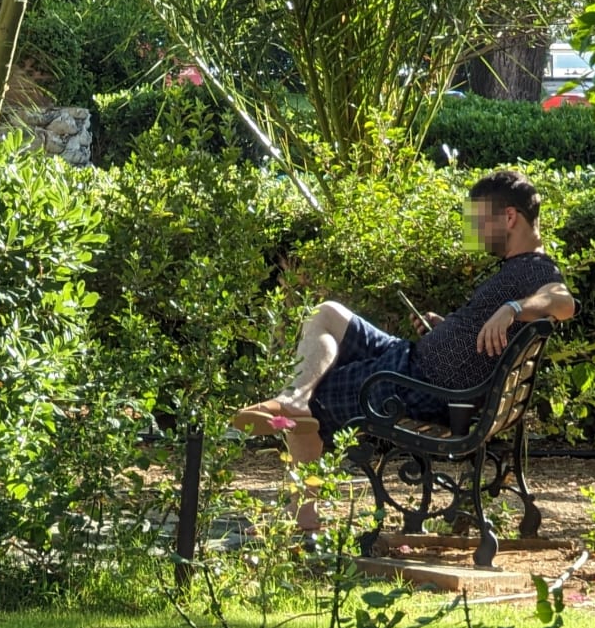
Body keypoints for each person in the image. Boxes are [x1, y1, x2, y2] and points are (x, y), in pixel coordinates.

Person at [231, 168, 575, 530]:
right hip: (413, 363)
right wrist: (445, 328)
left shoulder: (536, 270)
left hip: (418, 385)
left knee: (320, 392)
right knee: (327, 313)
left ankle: (301, 509)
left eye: (480, 220)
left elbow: (563, 301)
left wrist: (514, 308)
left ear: (509, 217)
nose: (475, 230)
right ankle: (294, 397)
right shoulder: (518, 268)